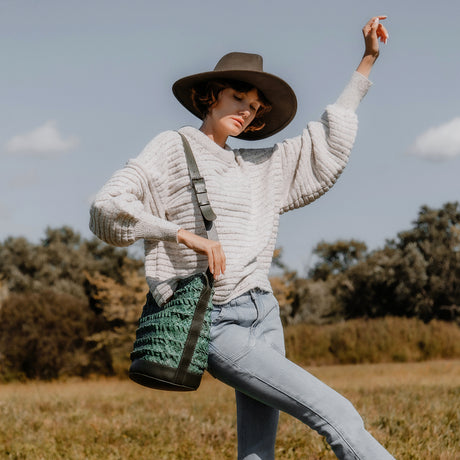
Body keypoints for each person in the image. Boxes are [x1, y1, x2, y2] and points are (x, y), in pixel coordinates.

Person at [90, 15, 394, 460]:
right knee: (337, 413)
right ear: (210, 97)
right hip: (217, 321)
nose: (246, 110)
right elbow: (106, 208)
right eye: (238, 97)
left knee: (257, 451)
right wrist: (180, 235)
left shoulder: (258, 167)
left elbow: (322, 144)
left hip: (264, 313)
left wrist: (366, 61)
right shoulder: (173, 148)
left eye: (254, 106)